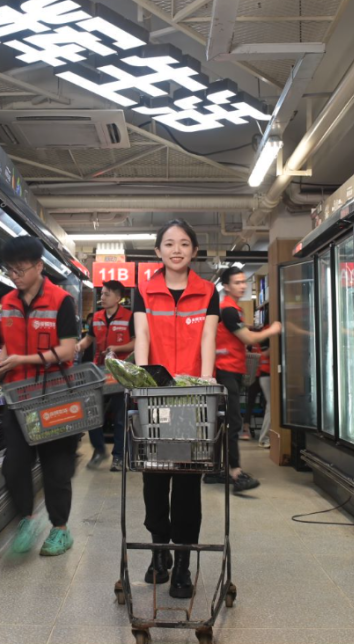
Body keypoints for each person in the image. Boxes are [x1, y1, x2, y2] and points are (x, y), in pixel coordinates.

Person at [0, 236, 80, 558]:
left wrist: (25, 360)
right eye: (10, 270)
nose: (15, 276)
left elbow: (68, 349)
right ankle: (28, 518)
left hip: (55, 396)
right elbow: (7, 347)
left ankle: (60, 529)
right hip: (18, 397)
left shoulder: (62, 300)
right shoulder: (8, 301)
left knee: (56, 468)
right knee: (14, 466)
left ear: (38, 266)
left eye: (20, 270)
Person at [132, 219, 219, 599]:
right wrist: (140, 382)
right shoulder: (144, 290)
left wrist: (205, 383)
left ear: (194, 251)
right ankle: (159, 551)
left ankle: (182, 561)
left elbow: (208, 339)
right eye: (169, 243)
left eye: (184, 243)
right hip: (155, 397)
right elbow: (142, 336)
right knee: (153, 480)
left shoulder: (208, 291)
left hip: (192, 399)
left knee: (186, 482)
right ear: (158, 251)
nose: (176, 250)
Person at [206, 267, 281, 492]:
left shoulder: (233, 310)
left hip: (229, 370)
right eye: (237, 282)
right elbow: (247, 338)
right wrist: (272, 330)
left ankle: (213, 470)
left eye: (243, 282)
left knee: (222, 422)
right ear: (226, 286)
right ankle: (235, 472)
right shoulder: (228, 310)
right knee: (233, 422)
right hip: (225, 371)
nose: (242, 285)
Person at [75, 280, 134, 471]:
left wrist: (117, 348)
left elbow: (136, 343)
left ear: (118, 298)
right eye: (101, 293)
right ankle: (99, 449)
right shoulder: (97, 317)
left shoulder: (129, 317)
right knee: (91, 412)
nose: (102, 297)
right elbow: (88, 339)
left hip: (120, 372)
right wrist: (78, 346)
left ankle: (119, 457)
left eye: (107, 294)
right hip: (99, 372)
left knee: (119, 416)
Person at [256, 343, 272, 448]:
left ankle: (265, 438)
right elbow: (265, 354)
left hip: (269, 375)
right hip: (266, 375)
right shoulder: (266, 338)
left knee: (271, 407)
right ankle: (264, 438)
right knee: (271, 407)